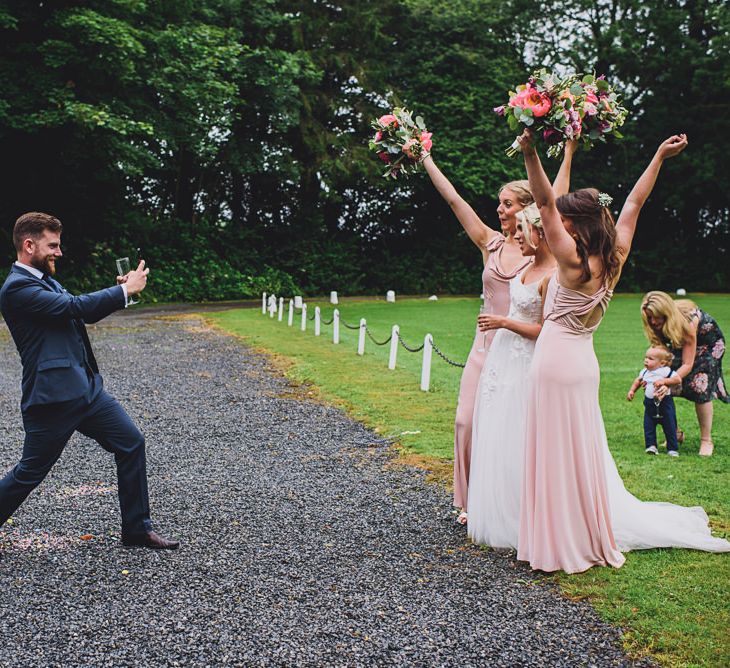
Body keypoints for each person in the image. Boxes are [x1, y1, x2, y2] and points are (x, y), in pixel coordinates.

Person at [517, 131, 729, 574]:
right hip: (583, 363)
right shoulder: (613, 255)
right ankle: (581, 529)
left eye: (562, 217)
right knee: (580, 448)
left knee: (555, 450)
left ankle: (558, 540)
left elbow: (543, 199)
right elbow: (633, 204)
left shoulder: (570, 261)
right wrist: (657, 155)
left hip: (554, 363)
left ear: (572, 224)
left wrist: (531, 153)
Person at [0, 212, 179, 554]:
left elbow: (83, 311)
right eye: (52, 245)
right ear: (28, 244)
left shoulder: (43, 280)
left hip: (86, 390)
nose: (59, 252)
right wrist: (124, 290)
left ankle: (137, 530)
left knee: (131, 443)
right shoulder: (18, 288)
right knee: (29, 472)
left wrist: (118, 291)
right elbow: (74, 306)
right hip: (53, 398)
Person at [421, 141, 576, 523]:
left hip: (523, 348)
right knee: (466, 422)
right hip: (484, 347)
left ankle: (514, 503)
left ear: (525, 207)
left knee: (516, 429)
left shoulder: (541, 249)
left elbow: (554, 199)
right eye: (499, 203)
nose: (499, 209)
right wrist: (426, 159)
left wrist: (569, 148)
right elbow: (455, 201)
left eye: (507, 203)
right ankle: (471, 499)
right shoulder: (489, 243)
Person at [467, 204, 556, 549]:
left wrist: (502, 322)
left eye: (522, 230)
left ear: (539, 231)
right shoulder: (528, 267)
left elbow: (545, 331)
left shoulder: (553, 275)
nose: (516, 236)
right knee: (498, 431)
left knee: (520, 432)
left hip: (525, 363)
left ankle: (524, 514)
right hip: (502, 362)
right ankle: (500, 509)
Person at [641, 291, 729, 456]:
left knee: (699, 385)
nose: (652, 321)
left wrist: (668, 381)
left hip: (707, 345)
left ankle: (706, 440)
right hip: (680, 343)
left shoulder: (687, 322)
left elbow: (687, 364)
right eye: (649, 317)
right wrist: (657, 379)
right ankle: (673, 433)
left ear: (666, 313)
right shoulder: (656, 324)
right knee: (661, 383)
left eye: (656, 317)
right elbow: (662, 358)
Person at [627, 347, 680, 456]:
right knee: (648, 426)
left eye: (650, 359)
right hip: (650, 405)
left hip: (665, 404)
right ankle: (651, 446)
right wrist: (632, 390)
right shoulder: (645, 371)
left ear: (662, 363)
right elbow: (638, 381)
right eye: (646, 357)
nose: (646, 360)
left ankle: (672, 448)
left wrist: (664, 381)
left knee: (670, 425)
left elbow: (677, 379)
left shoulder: (665, 371)